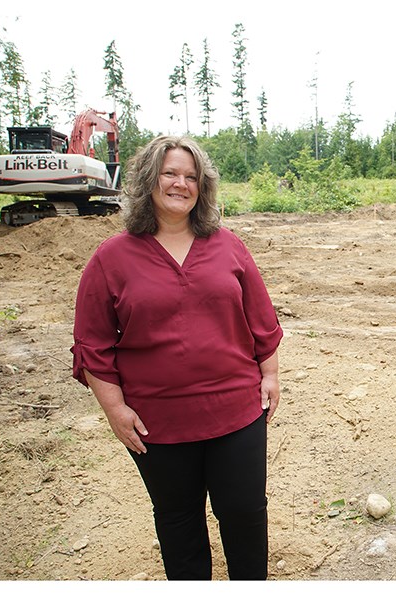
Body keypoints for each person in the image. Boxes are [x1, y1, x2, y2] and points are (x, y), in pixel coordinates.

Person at [71, 135, 283, 580]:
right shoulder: (112, 258)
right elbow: (92, 344)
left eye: (191, 177)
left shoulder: (228, 246)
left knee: (245, 514)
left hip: (236, 411)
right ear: (149, 181)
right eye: (170, 173)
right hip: (157, 423)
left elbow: (261, 316)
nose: (180, 184)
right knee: (179, 520)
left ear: (202, 188)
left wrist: (270, 374)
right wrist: (115, 410)